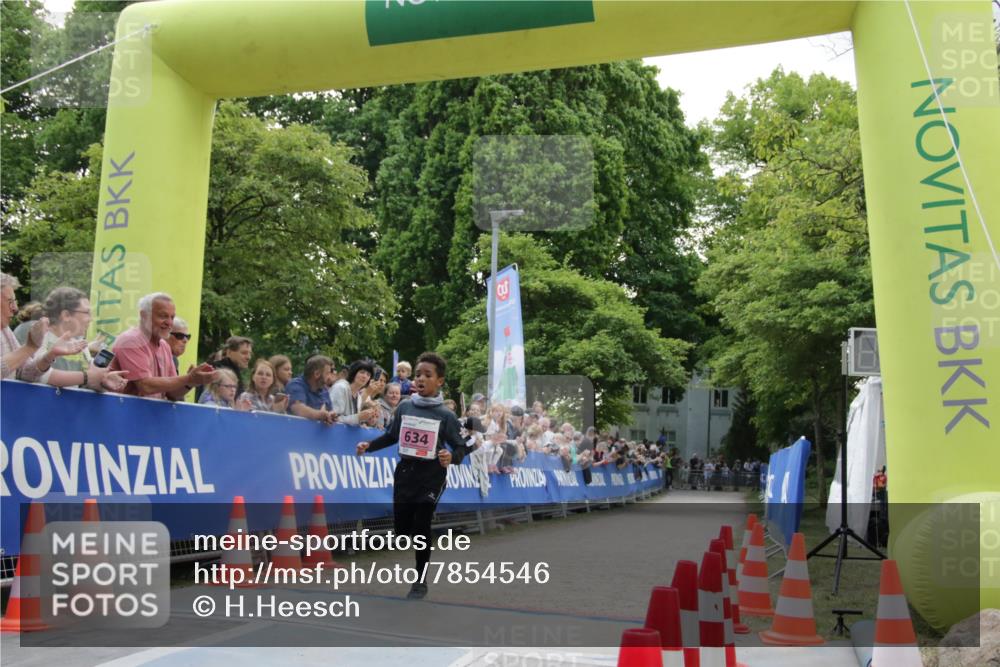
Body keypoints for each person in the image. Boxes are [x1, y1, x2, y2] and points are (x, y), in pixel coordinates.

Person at [356, 352, 471, 600]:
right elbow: (391, 435)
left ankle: (420, 581)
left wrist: (452, 457)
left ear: (439, 380)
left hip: (432, 474)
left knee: (422, 523)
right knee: (403, 529)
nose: (420, 378)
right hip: (406, 472)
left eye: (427, 375)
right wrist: (369, 446)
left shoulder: (447, 415)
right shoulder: (405, 406)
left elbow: (462, 445)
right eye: (418, 374)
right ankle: (407, 532)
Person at [1, 273, 126, 391]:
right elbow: (39, 378)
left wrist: (102, 380)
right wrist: (87, 376)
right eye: (86, 313)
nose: (15, 308)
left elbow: (26, 372)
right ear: (66, 315)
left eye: (15, 302)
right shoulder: (32, 329)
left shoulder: (78, 343)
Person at [110, 292, 215, 400]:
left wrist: (192, 382)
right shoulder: (130, 341)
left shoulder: (164, 346)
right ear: (144, 315)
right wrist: (188, 378)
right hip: (124, 414)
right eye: (163, 316)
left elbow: (173, 394)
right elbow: (145, 386)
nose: (169, 323)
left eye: (172, 317)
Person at [285, 354, 337, 424]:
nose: (330, 377)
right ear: (317, 374)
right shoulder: (295, 385)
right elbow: (298, 408)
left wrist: (331, 416)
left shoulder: (324, 391)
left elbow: (329, 411)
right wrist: (321, 415)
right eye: (327, 373)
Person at [330, 359, 377, 426]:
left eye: (368, 374)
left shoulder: (359, 397)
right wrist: (358, 417)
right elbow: (332, 419)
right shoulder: (340, 388)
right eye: (362, 372)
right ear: (354, 373)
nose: (365, 376)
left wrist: (362, 423)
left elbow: (351, 421)